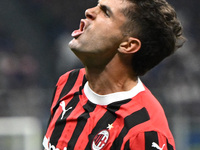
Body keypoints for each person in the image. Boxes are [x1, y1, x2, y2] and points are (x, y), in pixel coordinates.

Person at [43, 0, 185, 149]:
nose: (89, 12)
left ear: (128, 45)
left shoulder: (144, 132)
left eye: (105, 12)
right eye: (97, 5)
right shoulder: (68, 82)